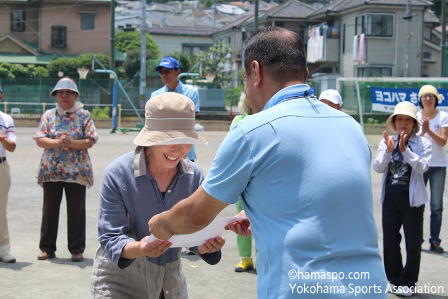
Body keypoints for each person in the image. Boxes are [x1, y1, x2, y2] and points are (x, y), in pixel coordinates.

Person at [149, 27, 387, 299]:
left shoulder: (252, 130)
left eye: (244, 79)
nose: (246, 89)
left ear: (256, 71)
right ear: (305, 75)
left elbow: (195, 215)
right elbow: (325, 199)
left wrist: (162, 223)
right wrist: (257, 214)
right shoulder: (351, 127)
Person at [90, 93, 224, 299]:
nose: (178, 149)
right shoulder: (118, 174)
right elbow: (111, 237)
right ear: (150, 139)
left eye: (186, 140)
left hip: (169, 284)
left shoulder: (194, 176)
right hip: (119, 282)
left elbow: (195, 230)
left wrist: (205, 246)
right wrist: (141, 248)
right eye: (170, 139)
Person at [34, 77, 98, 262]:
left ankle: (76, 249)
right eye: (60, 93)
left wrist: (71, 143)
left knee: (77, 211)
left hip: (77, 171)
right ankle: (47, 248)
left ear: (75, 95)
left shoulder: (84, 115)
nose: (64, 96)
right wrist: (57, 142)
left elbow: (90, 141)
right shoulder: (48, 115)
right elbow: (40, 139)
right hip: (51, 170)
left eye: (68, 93)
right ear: (55, 96)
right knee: (49, 210)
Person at [373, 101, 431, 297]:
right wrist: (389, 151)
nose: (403, 124)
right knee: (390, 241)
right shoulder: (386, 141)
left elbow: (422, 167)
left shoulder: (423, 143)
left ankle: (408, 281)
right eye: (400, 120)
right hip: (390, 198)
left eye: (408, 120)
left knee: (413, 242)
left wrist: (405, 149)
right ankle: (394, 278)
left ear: (414, 123)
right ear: (394, 122)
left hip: (412, 201)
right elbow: (378, 168)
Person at [150, 56, 200, 162]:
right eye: (161, 72)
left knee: (188, 177)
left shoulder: (191, 92)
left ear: (178, 72)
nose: (164, 74)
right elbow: (153, 123)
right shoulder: (155, 95)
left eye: (168, 71)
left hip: (185, 149)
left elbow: (189, 119)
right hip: (162, 149)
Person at [416, 85, 447, 254]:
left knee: (436, 206)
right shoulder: (415, 116)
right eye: (424, 96)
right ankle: (417, 239)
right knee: (418, 204)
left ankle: (434, 241)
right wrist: (423, 131)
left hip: (438, 167)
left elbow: (443, 142)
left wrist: (429, 130)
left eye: (431, 96)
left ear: (436, 99)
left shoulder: (443, 117)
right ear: (420, 99)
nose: (428, 99)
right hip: (420, 166)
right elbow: (413, 140)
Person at [231, 93, 256, 273]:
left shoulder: (270, 115)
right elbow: (233, 146)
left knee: (263, 221)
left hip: (263, 177)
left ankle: (263, 258)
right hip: (244, 177)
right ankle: (245, 258)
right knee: (241, 218)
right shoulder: (239, 119)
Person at [0, 86, 17, 263]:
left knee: (0, 209)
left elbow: (12, 146)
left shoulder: (6, 119)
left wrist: (2, 138)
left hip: (1, 166)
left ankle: (2, 249)